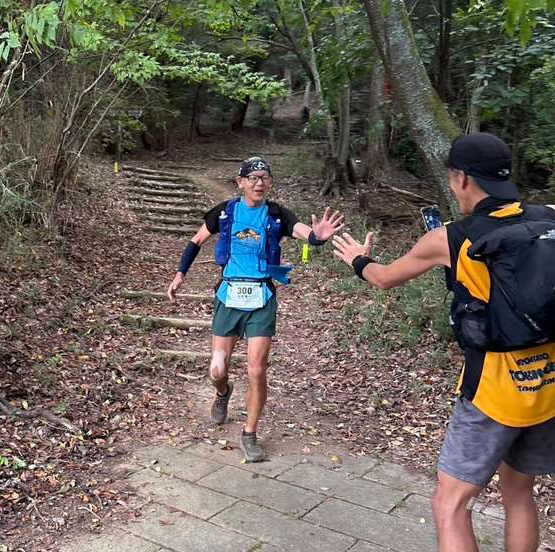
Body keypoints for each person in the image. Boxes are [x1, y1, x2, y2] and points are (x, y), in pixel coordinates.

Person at [332, 132, 555, 552]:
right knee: (519, 493)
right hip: (547, 384)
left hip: (492, 390)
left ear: (462, 179)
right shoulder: (549, 217)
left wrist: (358, 259)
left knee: (449, 504)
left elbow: (383, 278)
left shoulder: (451, 238)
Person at [167, 156, 344, 462]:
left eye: (264, 177)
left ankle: (249, 433)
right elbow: (196, 240)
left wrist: (318, 237)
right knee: (217, 368)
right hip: (229, 295)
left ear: (270, 183)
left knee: (257, 370)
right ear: (241, 182)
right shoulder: (225, 212)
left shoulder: (276, 214)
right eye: (253, 177)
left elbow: (305, 233)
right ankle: (223, 392)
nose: (259, 183)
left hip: (261, 296)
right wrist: (180, 274)